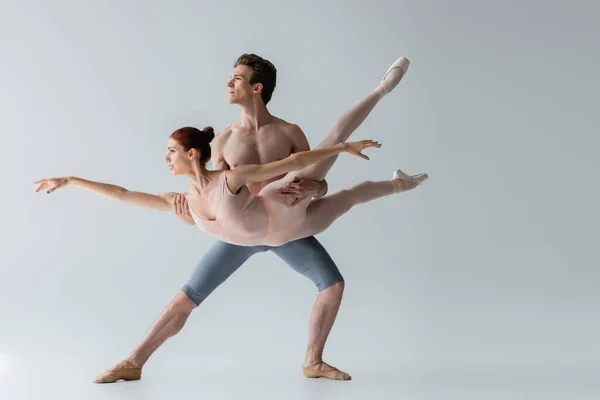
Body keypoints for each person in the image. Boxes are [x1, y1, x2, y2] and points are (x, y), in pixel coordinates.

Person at [35, 54, 424, 382]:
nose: (228, 83)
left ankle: (313, 361)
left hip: (286, 218)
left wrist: (312, 189)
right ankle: (133, 363)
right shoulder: (221, 143)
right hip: (241, 230)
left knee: (335, 246)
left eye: (237, 78)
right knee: (184, 299)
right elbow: (203, 191)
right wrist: (74, 180)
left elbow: (309, 173)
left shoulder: (287, 131)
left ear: (257, 87)